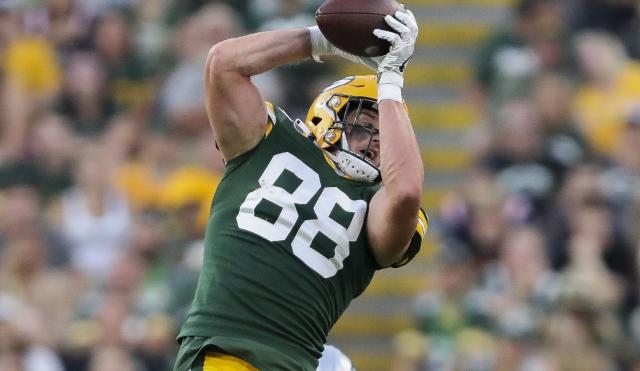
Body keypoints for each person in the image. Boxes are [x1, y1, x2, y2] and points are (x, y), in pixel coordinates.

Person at [174, 8, 427, 371]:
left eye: (385, 136)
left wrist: (391, 80)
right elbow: (223, 63)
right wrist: (322, 40)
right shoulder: (267, 140)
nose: (375, 143)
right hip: (225, 351)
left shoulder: (375, 204)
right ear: (330, 114)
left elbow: (405, 192)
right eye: (364, 125)